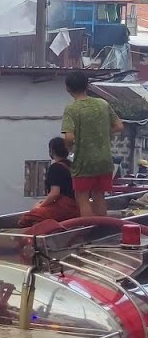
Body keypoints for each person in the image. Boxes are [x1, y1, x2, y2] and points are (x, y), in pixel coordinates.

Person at [61, 72, 123, 217]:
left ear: (67, 88)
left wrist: (69, 148)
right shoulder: (103, 104)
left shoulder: (72, 109)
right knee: (99, 195)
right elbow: (119, 126)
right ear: (87, 85)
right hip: (105, 161)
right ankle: (101, 227)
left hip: (84, 162)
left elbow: (69, 137)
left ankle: (88, 228)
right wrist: (101, 133)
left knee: (82, 198)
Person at [19, 137, 80, 227]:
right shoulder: (72, 166)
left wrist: (40, 206)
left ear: (52, 151)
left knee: (27, 217)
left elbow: (54, 194)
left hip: (65, 208)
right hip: (77, 206)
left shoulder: (55, 168)